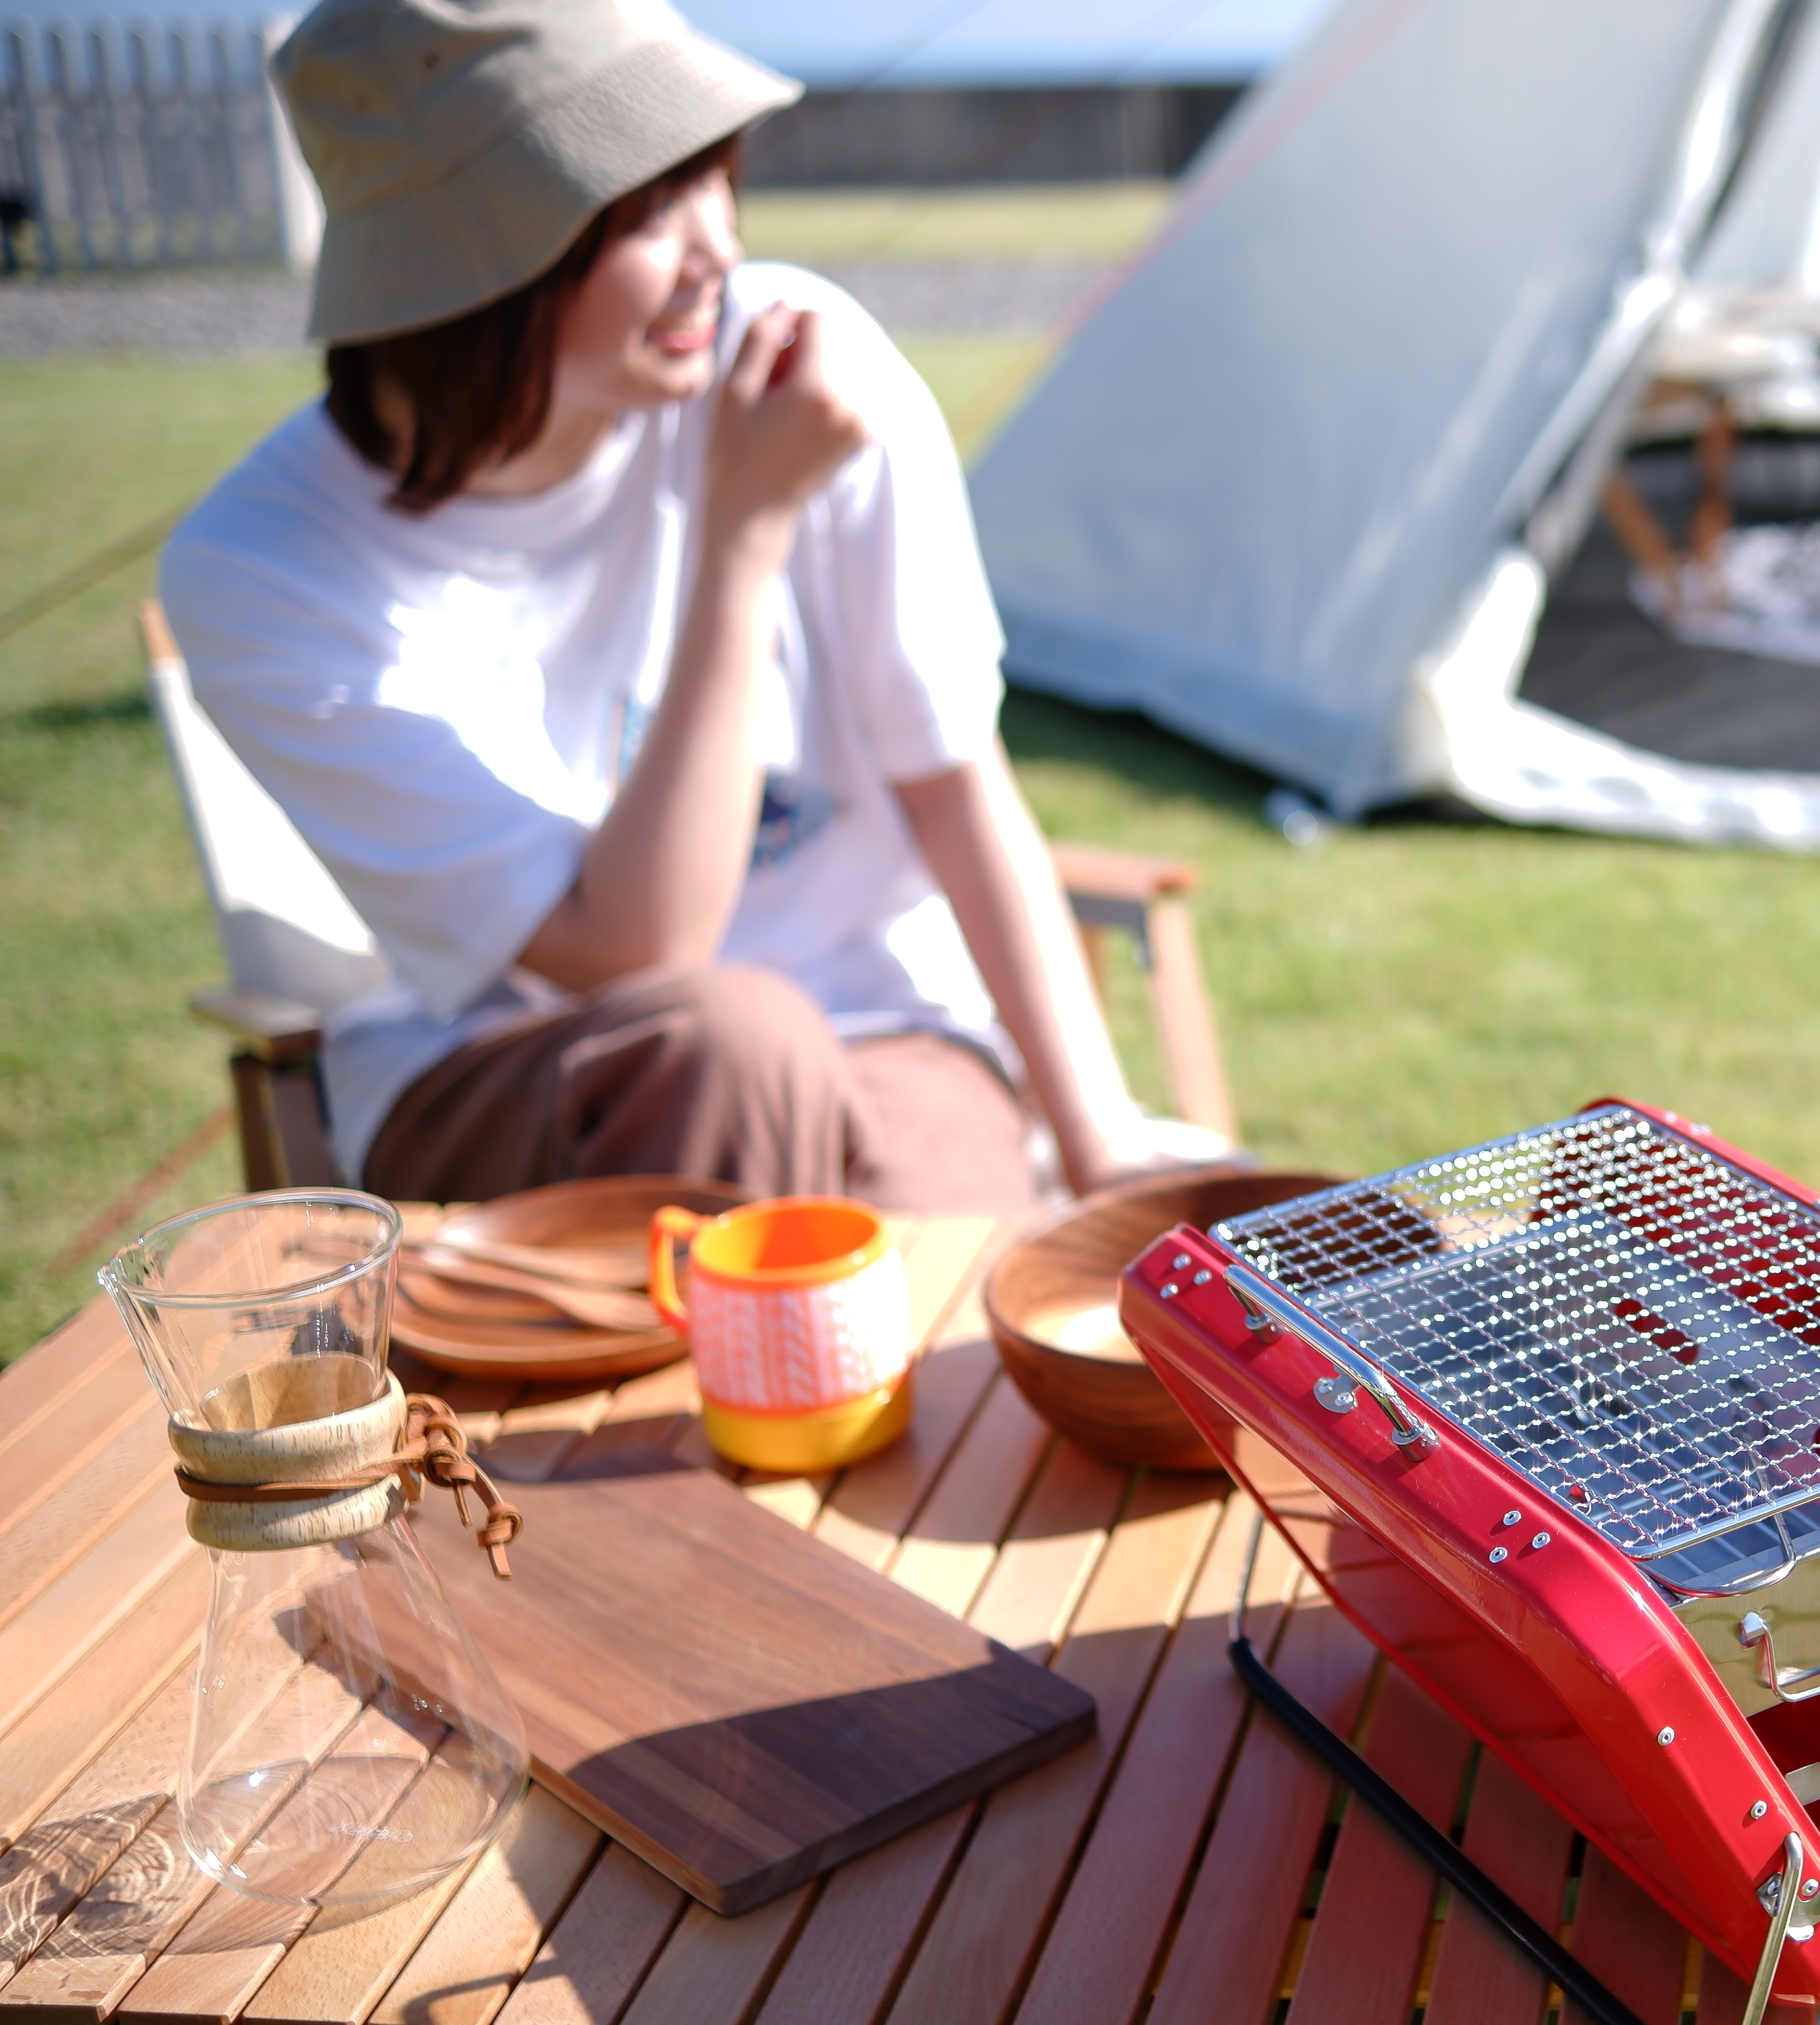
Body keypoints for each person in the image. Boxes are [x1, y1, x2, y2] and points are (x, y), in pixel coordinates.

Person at [161, 0, 1221, 1218]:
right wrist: (744, 534)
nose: (717, 246)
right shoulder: (271, 566)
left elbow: (952, 777)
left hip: (886, 1037)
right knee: (735, 1044)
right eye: (646, 205)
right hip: (518, 1076)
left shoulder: (802, 366)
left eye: (714, 180)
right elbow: (634, 951)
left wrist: (1099, 1145)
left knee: (953, 1316)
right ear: (473, 263)